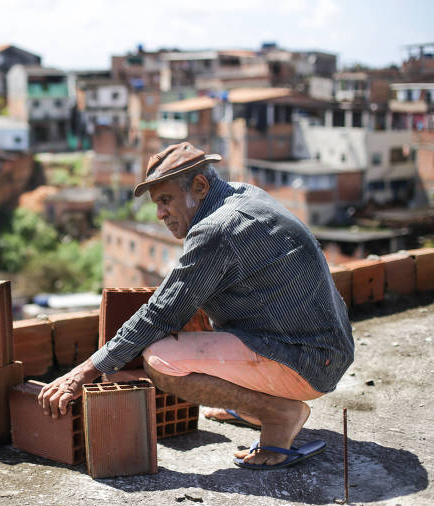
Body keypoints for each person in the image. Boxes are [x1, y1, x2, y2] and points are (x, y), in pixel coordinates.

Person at [38, 142, 354, 469]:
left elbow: (161, 312)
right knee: (194, 310)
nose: (160, 213)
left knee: (161, 360)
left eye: (166, 200)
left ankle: (279, 414)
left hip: (307, 360)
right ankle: (249, 404)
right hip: (326, 350)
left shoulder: (217, 229)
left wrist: (84, 372)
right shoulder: (244, 195)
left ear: (200, 186)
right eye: (156, 204)